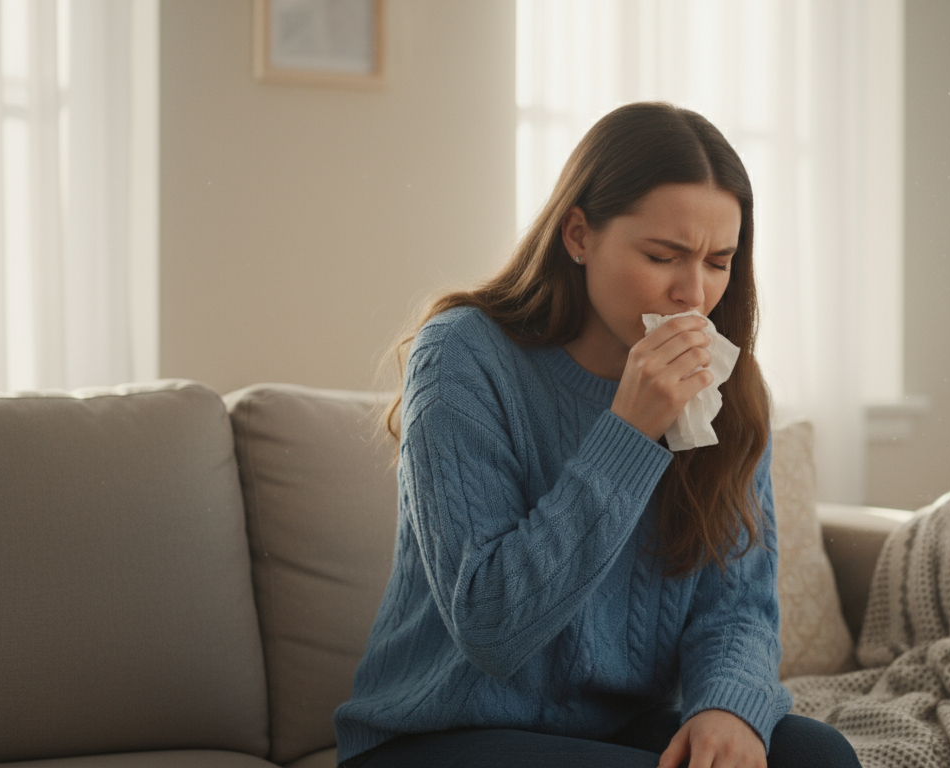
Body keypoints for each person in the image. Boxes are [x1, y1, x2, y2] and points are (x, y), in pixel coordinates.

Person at [333, 102, 860, 768]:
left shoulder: (723, 385)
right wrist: (631, 431)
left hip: (611, 731)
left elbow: (737, 605)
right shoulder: (462, 356)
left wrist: (727, 707)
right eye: (663, 256)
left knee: (817, 756)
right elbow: (491, 627)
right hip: (437, 733)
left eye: (718, 262)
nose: (694, 294)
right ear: (579, 235)